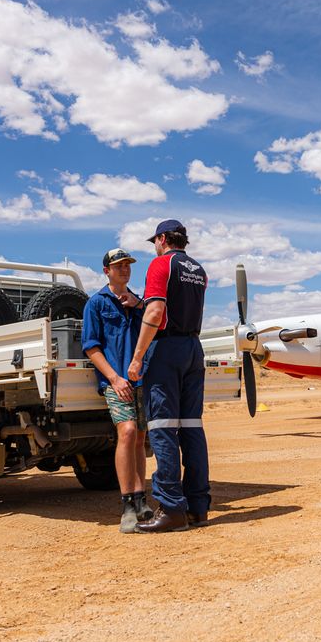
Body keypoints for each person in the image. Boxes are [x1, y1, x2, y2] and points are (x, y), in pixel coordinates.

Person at [126, 219, 210, 532]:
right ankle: (198, 508)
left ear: (162, 238)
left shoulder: (161, 264)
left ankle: (172, 508)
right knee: (191, 428)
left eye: (155, 242)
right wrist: (141, 302)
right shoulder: (198, 269)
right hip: (193, 348)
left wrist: (137, 358)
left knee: (162, 428)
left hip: (166, 351)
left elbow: (157, 312)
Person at [81, 248, 154, 533]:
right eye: (118, 265)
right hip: (117, 382)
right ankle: (126, 506)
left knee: (139, 438)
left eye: (127, 265)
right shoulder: (96, 303)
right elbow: (91, 346)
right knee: (126, 433)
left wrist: (138, 305)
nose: (124, 269)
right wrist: (114, 379)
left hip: (141, 381)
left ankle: (141, 500)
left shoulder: (140, 303)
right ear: (106, 271)